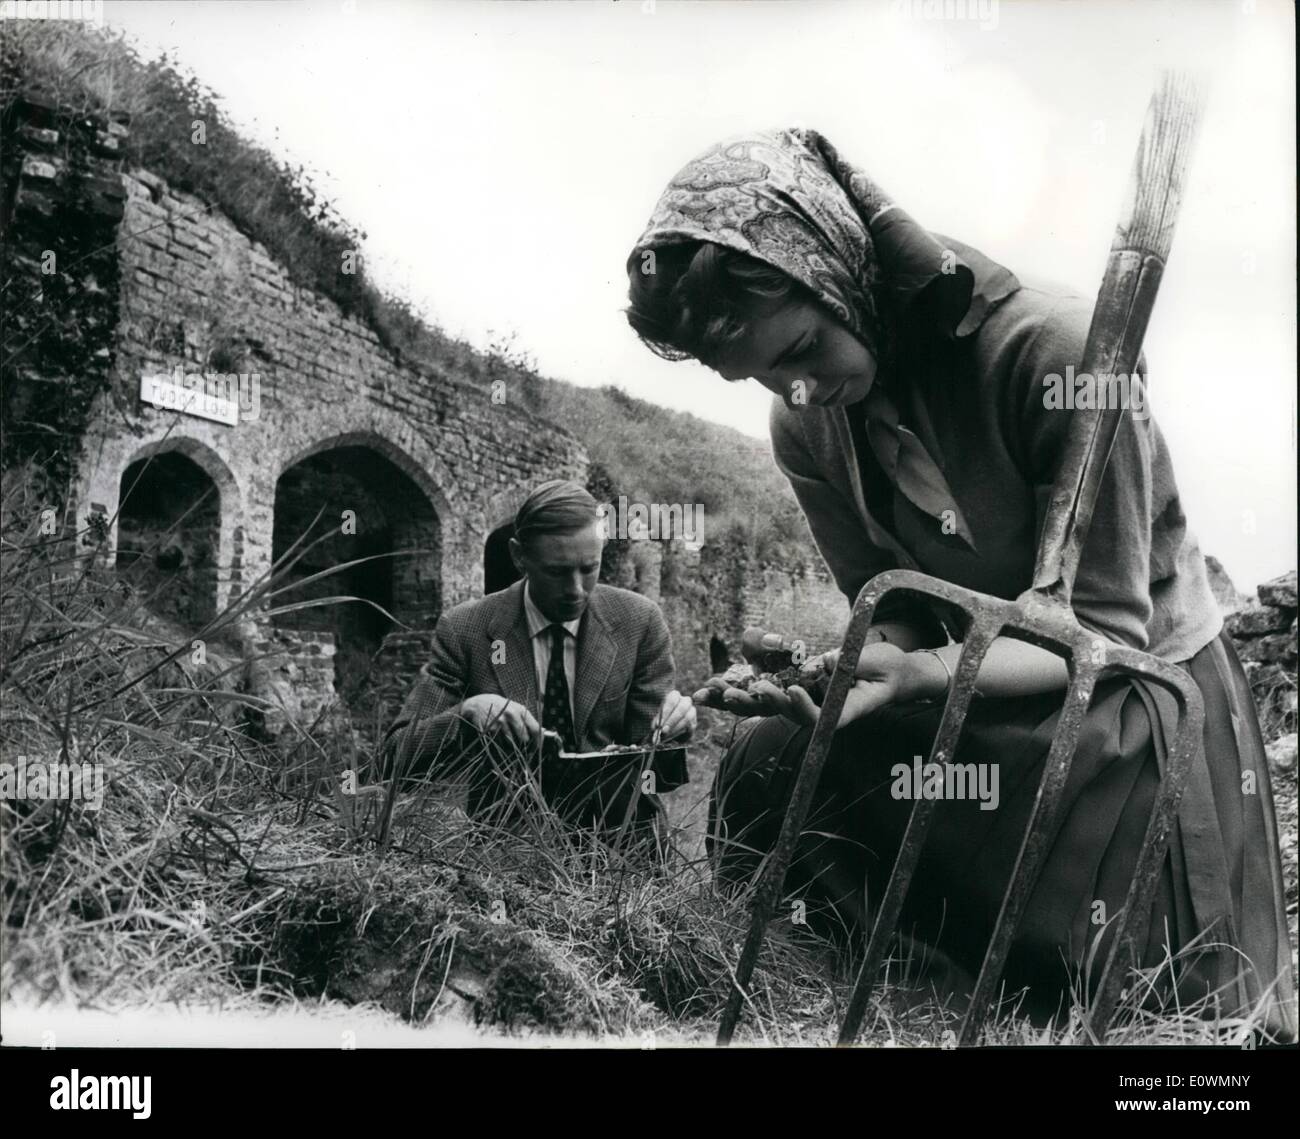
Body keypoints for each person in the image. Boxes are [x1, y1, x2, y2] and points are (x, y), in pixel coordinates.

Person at [623, 126, 1296, 1039]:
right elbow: (898, 609)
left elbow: (1104, 626)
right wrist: (840, 672)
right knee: (775, 759)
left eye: (803, 349)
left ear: (842, 274)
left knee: (1155, 1015)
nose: (802, 392)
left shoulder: (1058, 356)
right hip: (978, 670)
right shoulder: (805, 426)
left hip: (1131, 695)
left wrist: (932, 674)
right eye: (766, 379)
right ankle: (893, 999)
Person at [381, 479, 695, 840]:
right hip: (508, 858)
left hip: (625, 851)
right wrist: (466, 715)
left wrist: (674, 731)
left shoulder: (639, 621)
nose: (576, 590)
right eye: (557, 572)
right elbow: (395, 761)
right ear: (519, 556)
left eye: (589, 568)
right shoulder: (466, 629)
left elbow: (659, 775)